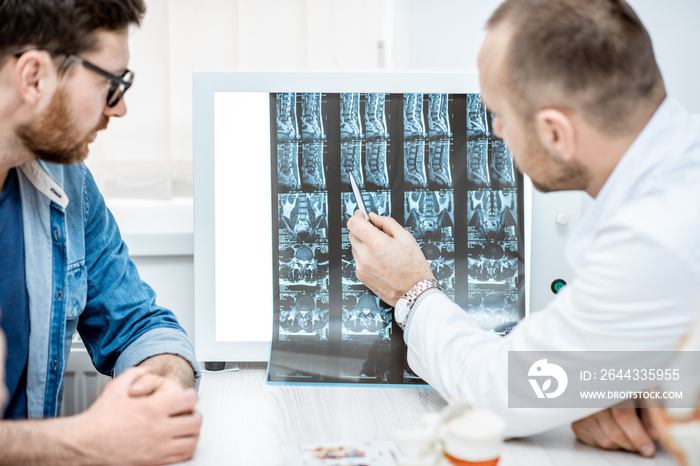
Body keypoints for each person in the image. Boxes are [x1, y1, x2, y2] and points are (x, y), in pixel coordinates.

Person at [347, 0, 700, 458]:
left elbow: (499, 392)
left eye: (500, 114)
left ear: (555, 133)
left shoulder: (652, 237)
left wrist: (411, 291)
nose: (495, 131)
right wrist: (611, 375)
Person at [0, 0, 202, 464]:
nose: (122, 108)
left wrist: (160, 388)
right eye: (111, 84)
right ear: (34, 77)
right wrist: (85, 441)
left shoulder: (69, 184)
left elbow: (139, 325)